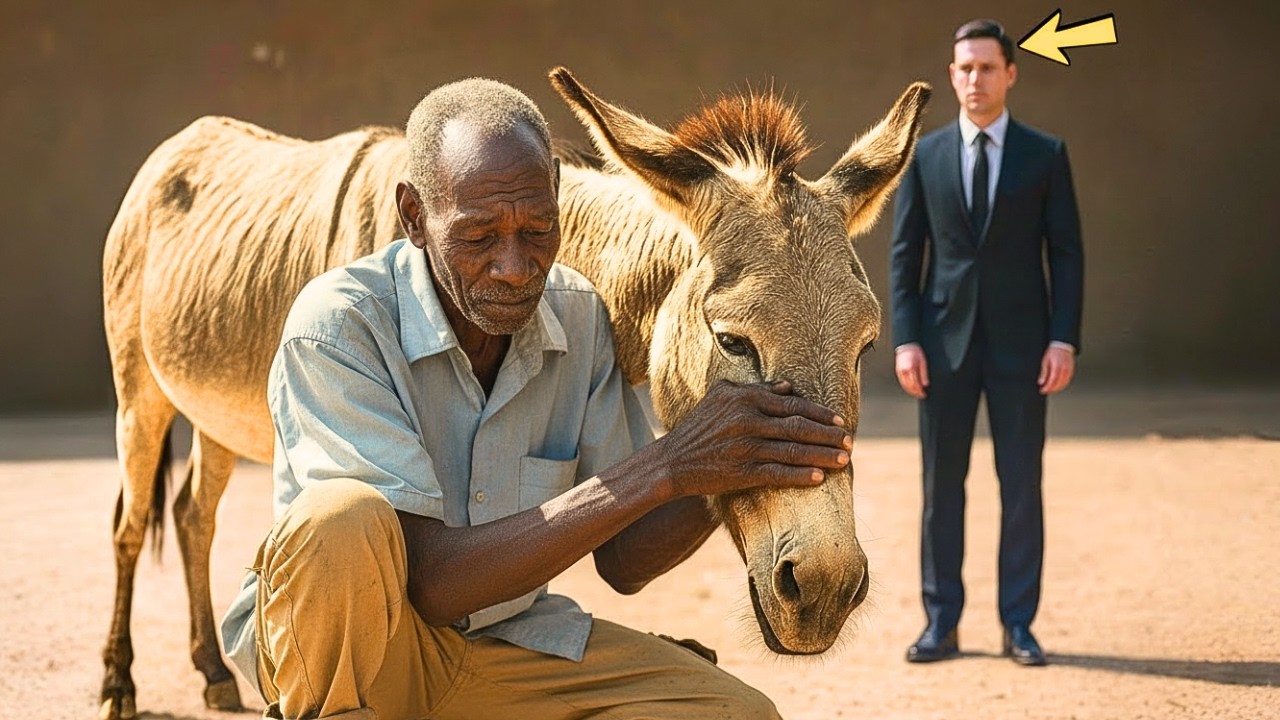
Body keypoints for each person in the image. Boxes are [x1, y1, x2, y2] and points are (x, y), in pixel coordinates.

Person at [218, 78, 853, 719]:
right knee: (340, 516)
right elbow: (434, 585)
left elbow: (627, 562)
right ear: (415, 215)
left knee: (740, 716)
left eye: (537, 229)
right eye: (479, 237)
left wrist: (733, 461)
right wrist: (669, 463)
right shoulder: (338, 325)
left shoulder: (577, 318)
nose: (516, 266)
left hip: (503, 646)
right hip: (358, 664)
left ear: (554, 188)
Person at [889, 19, 1084, 667]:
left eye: (987, 68)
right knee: (942, 487)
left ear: (1010, 74)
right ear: (952, 76)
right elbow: (904, 256)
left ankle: (1018, 626)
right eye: (965, 68)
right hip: (941, 351)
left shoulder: (1045, 155)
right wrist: (906, 340)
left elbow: (1067, 254)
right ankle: (940, 624)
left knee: (1021, 487)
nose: (975, 79)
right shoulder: (925, 156)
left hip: (1024, 352)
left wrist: (1063, 339)